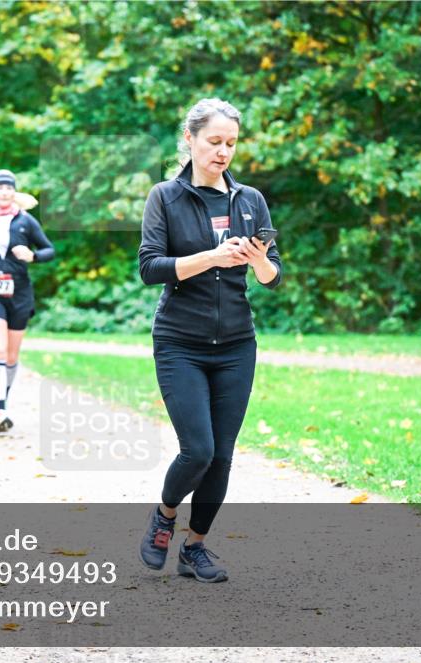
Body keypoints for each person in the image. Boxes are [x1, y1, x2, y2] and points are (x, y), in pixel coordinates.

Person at [137, 98, 283, 583]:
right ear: (190, 139)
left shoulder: (249, 200)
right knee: (196, 450)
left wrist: (258, 259)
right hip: (180, 340)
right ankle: (164, 513)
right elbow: (150, 267)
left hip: (237, 343)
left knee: (222, 453)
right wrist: (211, 257)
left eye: (231, 144)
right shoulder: (165, 197)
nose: (223, 152)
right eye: (214, 142)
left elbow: (272, 276)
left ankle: (195, 547)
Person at [0, 169, 54, 433]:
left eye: (9, 188)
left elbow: (49, 249)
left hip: (19, 292)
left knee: (11, 355)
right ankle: (1, 411)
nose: (4, 192)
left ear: (14, 192)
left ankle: (3, 401)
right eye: (0, 188)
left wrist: (32, 256)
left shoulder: (25, 221)